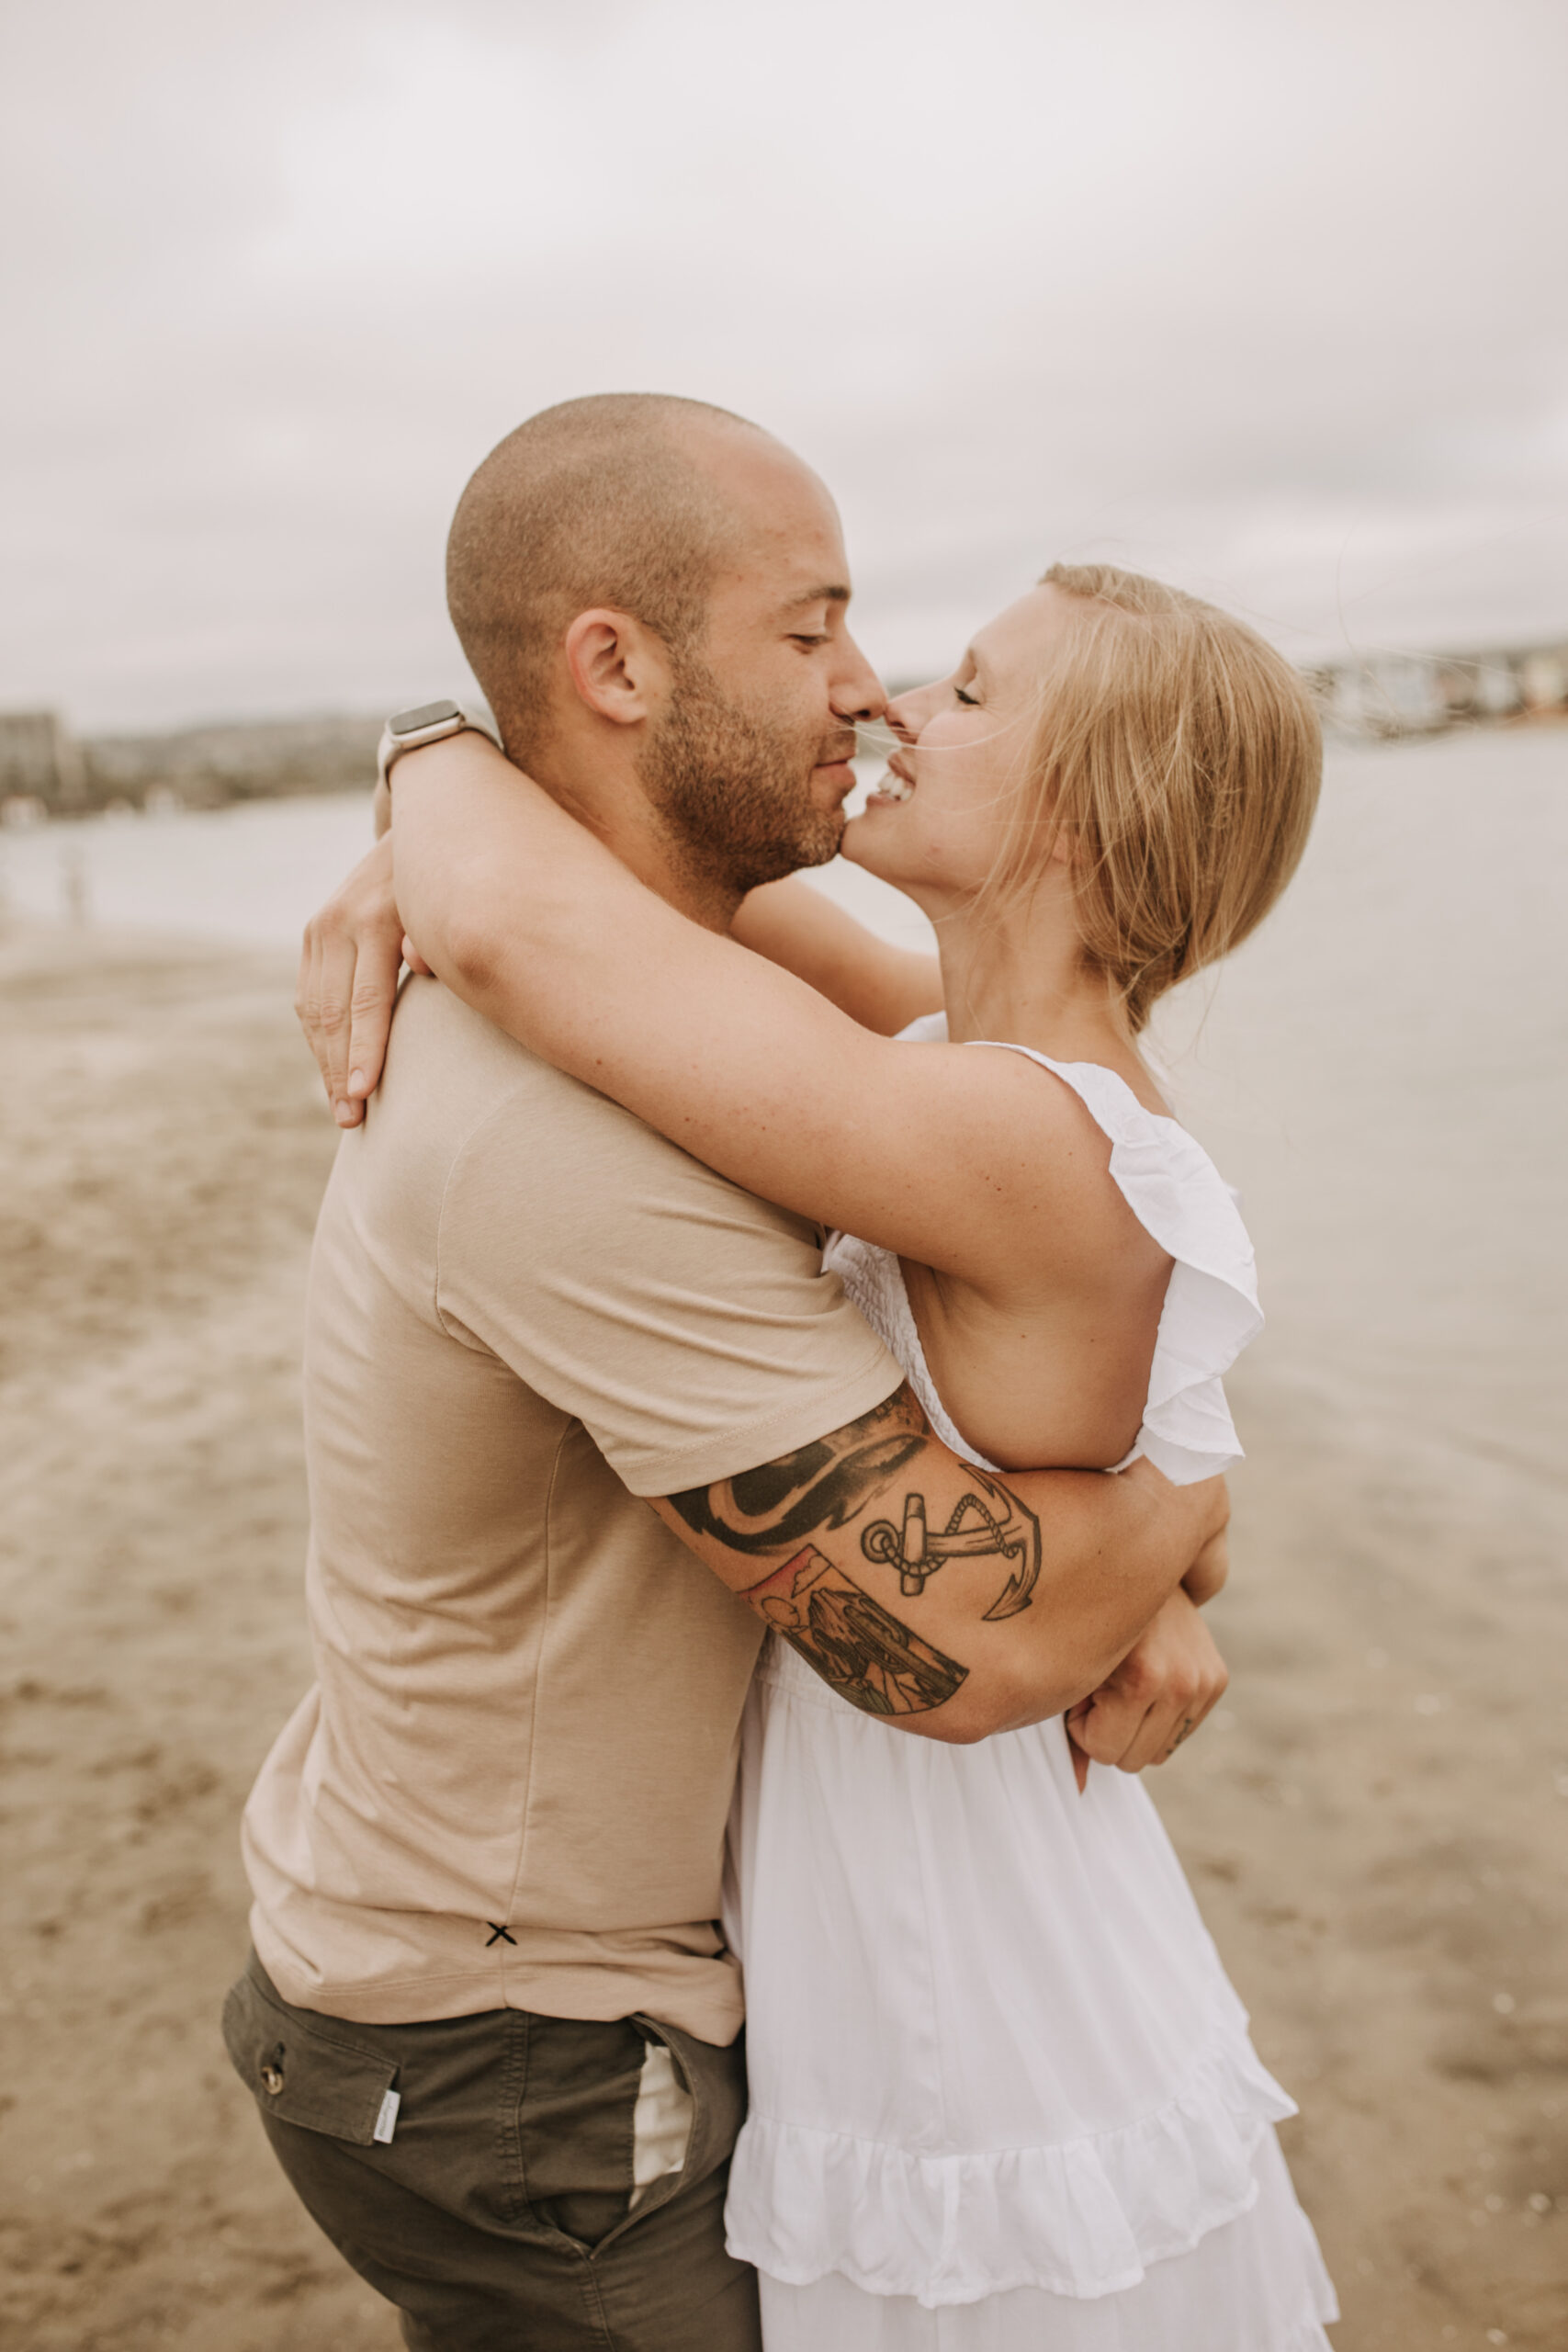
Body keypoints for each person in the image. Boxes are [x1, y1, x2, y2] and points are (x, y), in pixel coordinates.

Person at [236, 391, 1229, 2352]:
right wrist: (1184, 1505)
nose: (862, 693)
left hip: (539, 1981)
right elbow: (960, 1640)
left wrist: (431, 784)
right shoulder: (559, 1131)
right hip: (515, 2051)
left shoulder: (677, 1001)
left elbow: (1072, 1190)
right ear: (614, 663)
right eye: (811, 629)